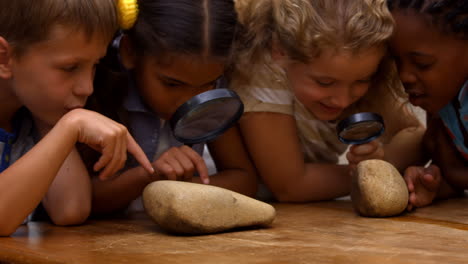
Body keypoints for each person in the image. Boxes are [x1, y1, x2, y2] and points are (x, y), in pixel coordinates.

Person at [229, 0, 425, 202]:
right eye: (325, 82)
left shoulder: (360, 67)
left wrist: (379, 161)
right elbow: (291, 186)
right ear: (280, 51)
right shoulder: (263, 72)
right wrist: (368, 175)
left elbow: (416, 134)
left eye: (362, 80)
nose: (342, 100)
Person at [0, 0, 153, 236]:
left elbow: (70, 210)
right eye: (70, 68)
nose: (87, 88)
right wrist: (70, 127)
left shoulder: (33, 113)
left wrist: (58, 123)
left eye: (94, 66)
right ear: (3, 59)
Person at [88, 0, 257, 214]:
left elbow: (243, 179)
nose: (189, 102)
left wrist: (180, 185)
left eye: (209, 84)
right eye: (172, 84)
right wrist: (149, 175)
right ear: (129, 51)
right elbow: (78, 200)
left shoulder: (212, 92)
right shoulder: (96, 85)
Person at [388, 0, 468, 210]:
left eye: (422, 64)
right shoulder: (442, 103)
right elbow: (452, 171)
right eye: (396, 61)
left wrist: (456, 175)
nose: (404, 76)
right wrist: (432, 183)